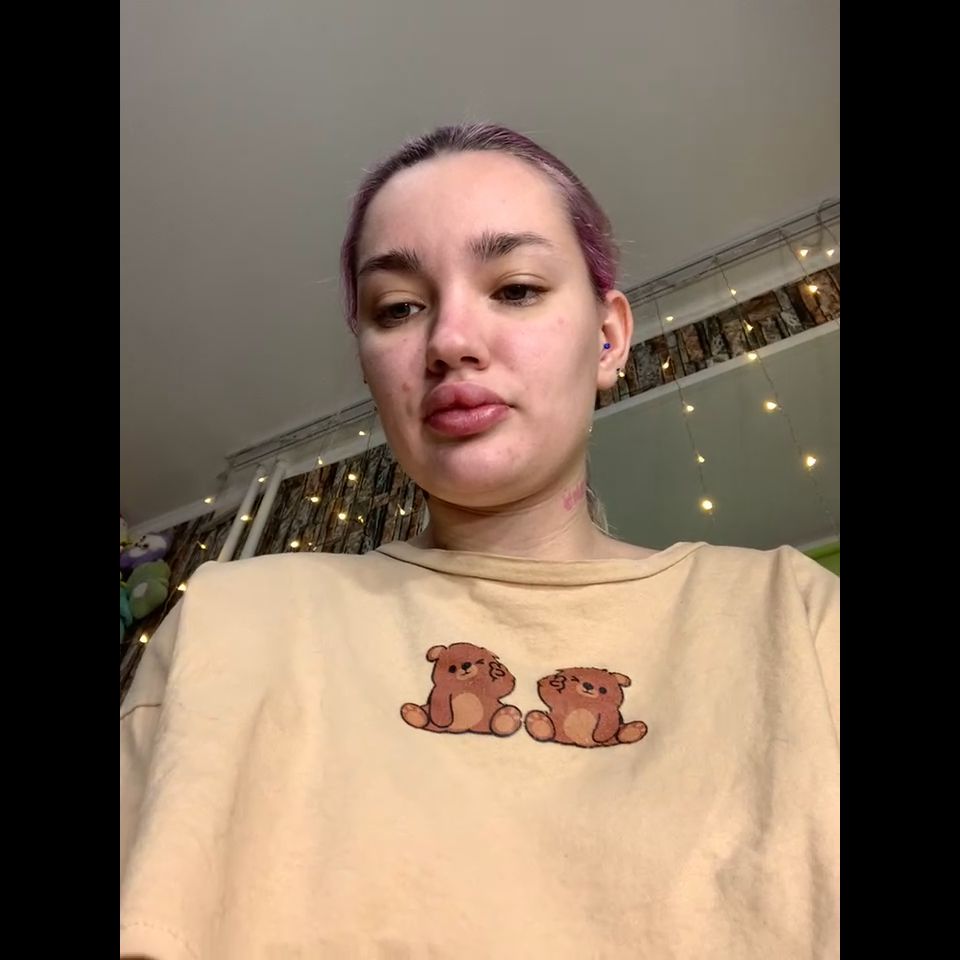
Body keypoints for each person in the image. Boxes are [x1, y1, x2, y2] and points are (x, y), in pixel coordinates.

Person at [120, 123, 839, 959]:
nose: (450, 341)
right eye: (398, 308)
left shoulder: (796, 618)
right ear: (369, 364)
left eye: (517, 288)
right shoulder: (231, 620)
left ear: (608, 338)